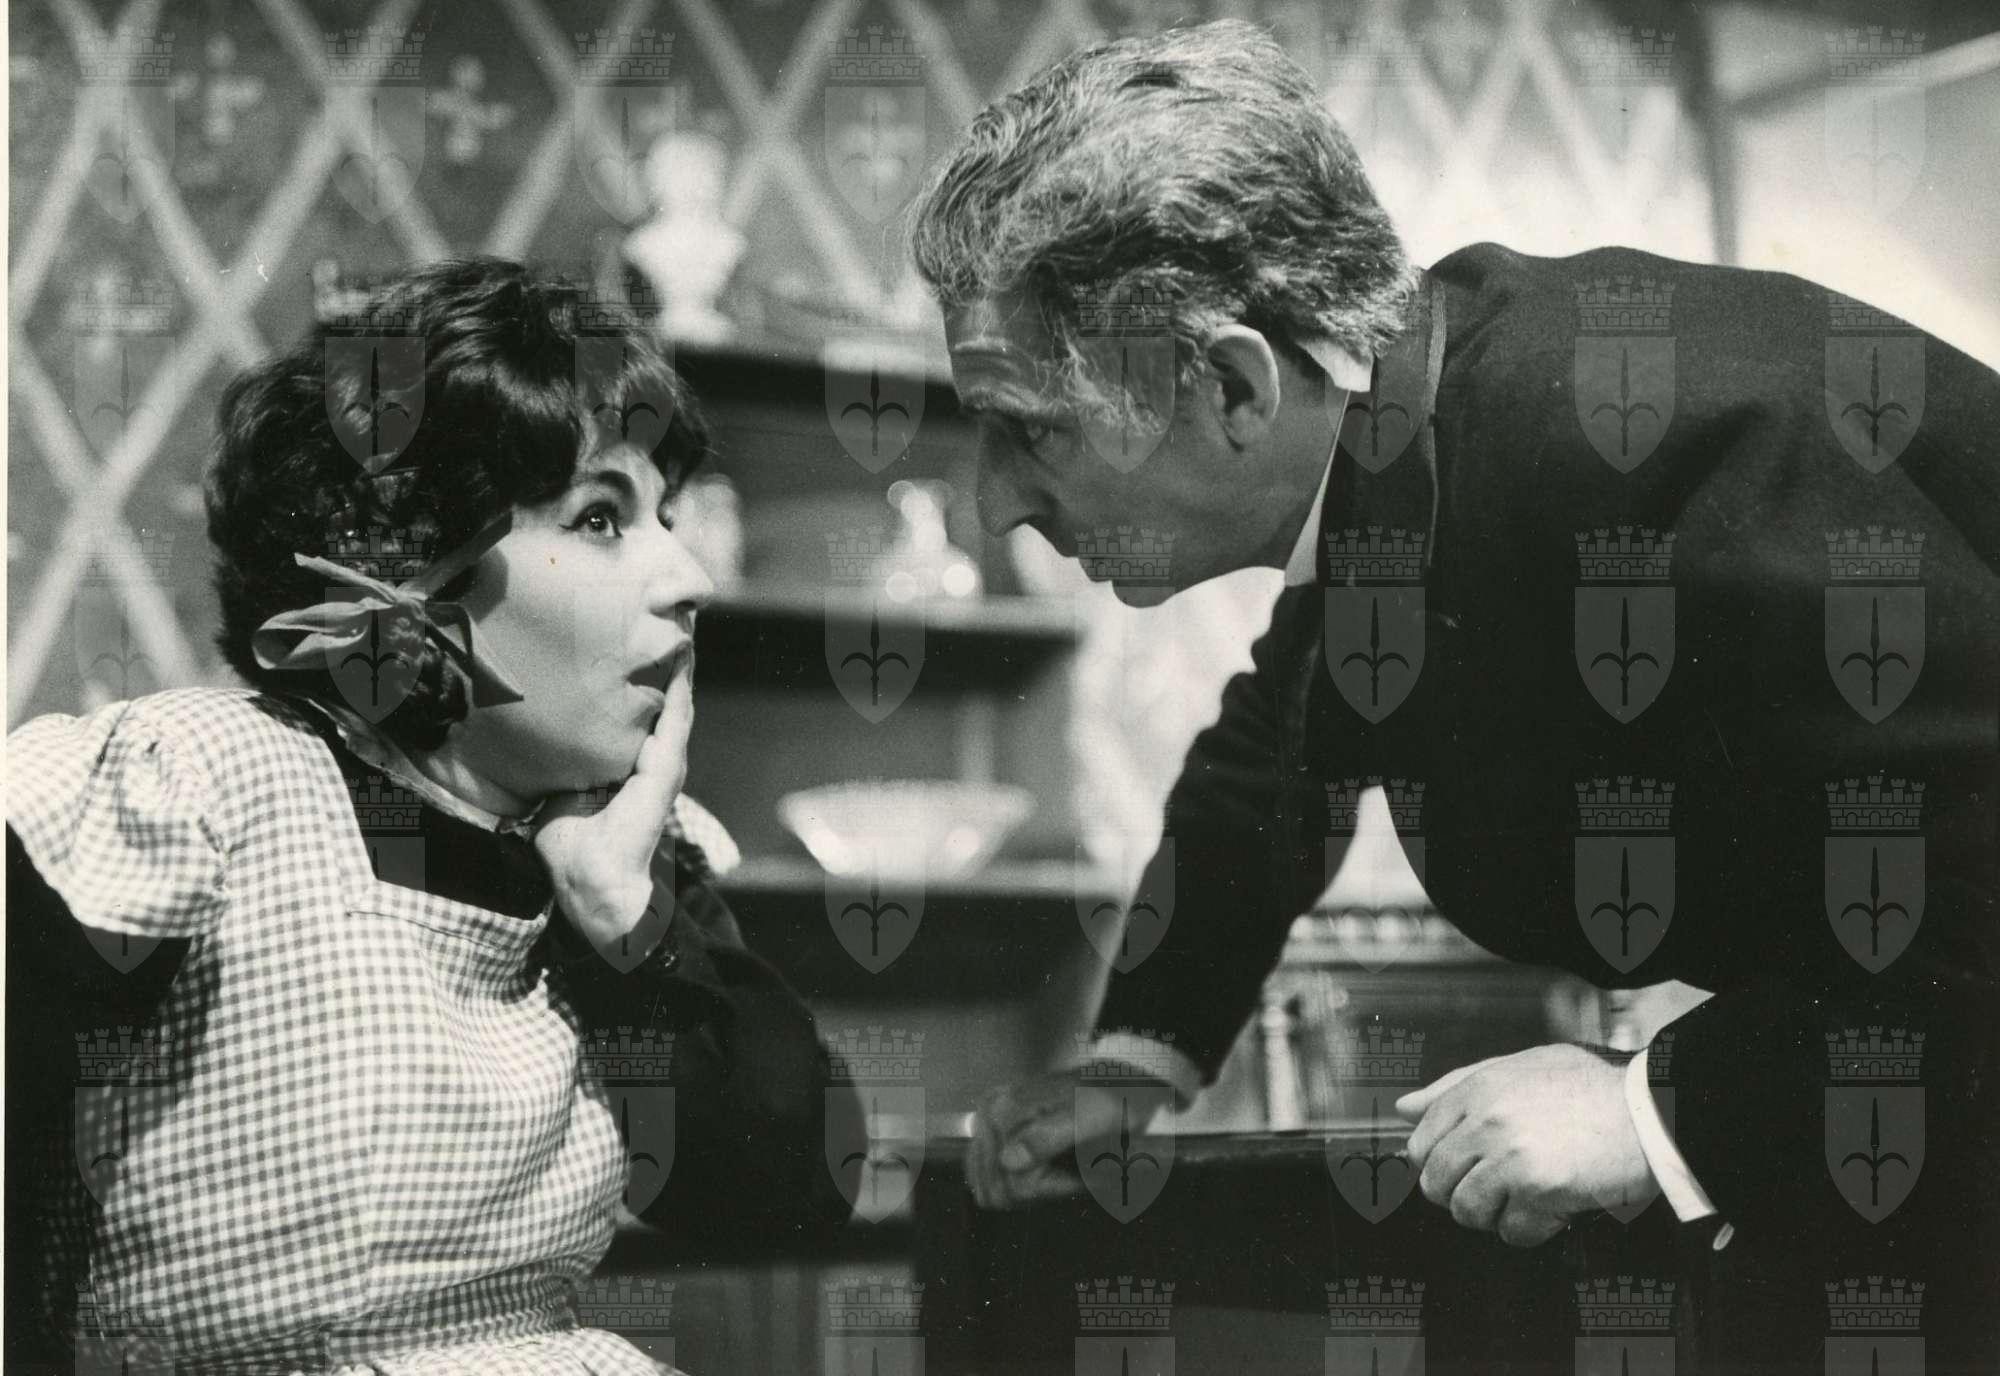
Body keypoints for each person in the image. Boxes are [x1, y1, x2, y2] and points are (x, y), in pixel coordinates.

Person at [908, 19, 1998, 1369]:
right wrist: (1140, 1057)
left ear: (1235, 386)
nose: (994, 505)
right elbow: (1271, 762)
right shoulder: (1408, 445)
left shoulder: (1633, 439)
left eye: (1028, 429)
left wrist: (1659, 1108)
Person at [5, 259, 860, 1373]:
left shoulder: (627, 846)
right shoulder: (195, 790)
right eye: (600, 518)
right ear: (401, 580)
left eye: (668, 513)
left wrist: (624, 918)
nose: (689, 575)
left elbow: (795, 1198)